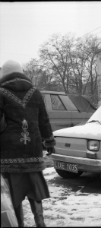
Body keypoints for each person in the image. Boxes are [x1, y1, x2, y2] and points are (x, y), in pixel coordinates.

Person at [0, 60, 56, 227]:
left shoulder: (0, 93)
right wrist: (49, 141)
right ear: (21, 72)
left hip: (9, 152)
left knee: (14, 193)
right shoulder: (35, 92)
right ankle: (40, 221)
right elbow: (44, 121)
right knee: (35, 188)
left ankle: (19, 224)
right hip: (33, 150)